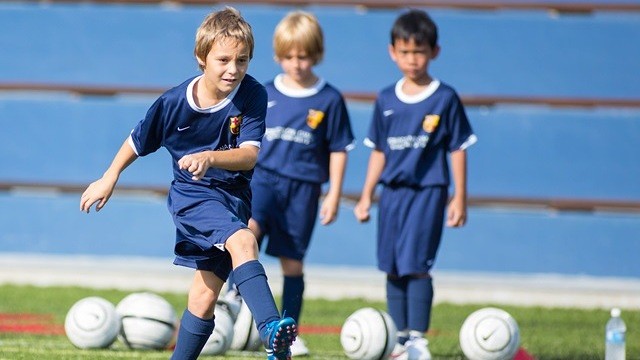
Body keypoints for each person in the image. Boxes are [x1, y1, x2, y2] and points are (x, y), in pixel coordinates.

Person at [79, 7, 297, 360]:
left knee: (204, 296)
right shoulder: (173, 102)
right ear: (202, 57)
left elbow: (249, 155)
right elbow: (137, 141)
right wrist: (109, 176)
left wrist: (210, 157)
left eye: (242, 60)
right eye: (224, 59)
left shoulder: (252, 94)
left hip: (235, 198)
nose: (233, 69)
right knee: (244, 240)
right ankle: (272, 330)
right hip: (193, 197)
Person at [226, 10, 354, 357]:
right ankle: (232, 307)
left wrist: (334, 194)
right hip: (263, 179)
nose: (297, 64)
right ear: (277, 56)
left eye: (304, 56)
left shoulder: (329, 99)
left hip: (305, 188)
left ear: (317, 55)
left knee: (292, 264)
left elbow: (339, 150)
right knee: (246, 235)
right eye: (289, 57)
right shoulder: (262, 92)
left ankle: (288, 332)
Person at [353, 9, 477, 360]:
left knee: (417, 264)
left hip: (428, 192)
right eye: (405, 52)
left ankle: (417, 338)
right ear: (393, 52)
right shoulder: (386, 99)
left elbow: (458, 148)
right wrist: (366, 196)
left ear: (434, 52)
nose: (412, 59)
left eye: (419, 51)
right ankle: (397, 336)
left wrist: (459, 197)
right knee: (392, 264)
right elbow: (378, 151)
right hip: (392, 194)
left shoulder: (444, 98)